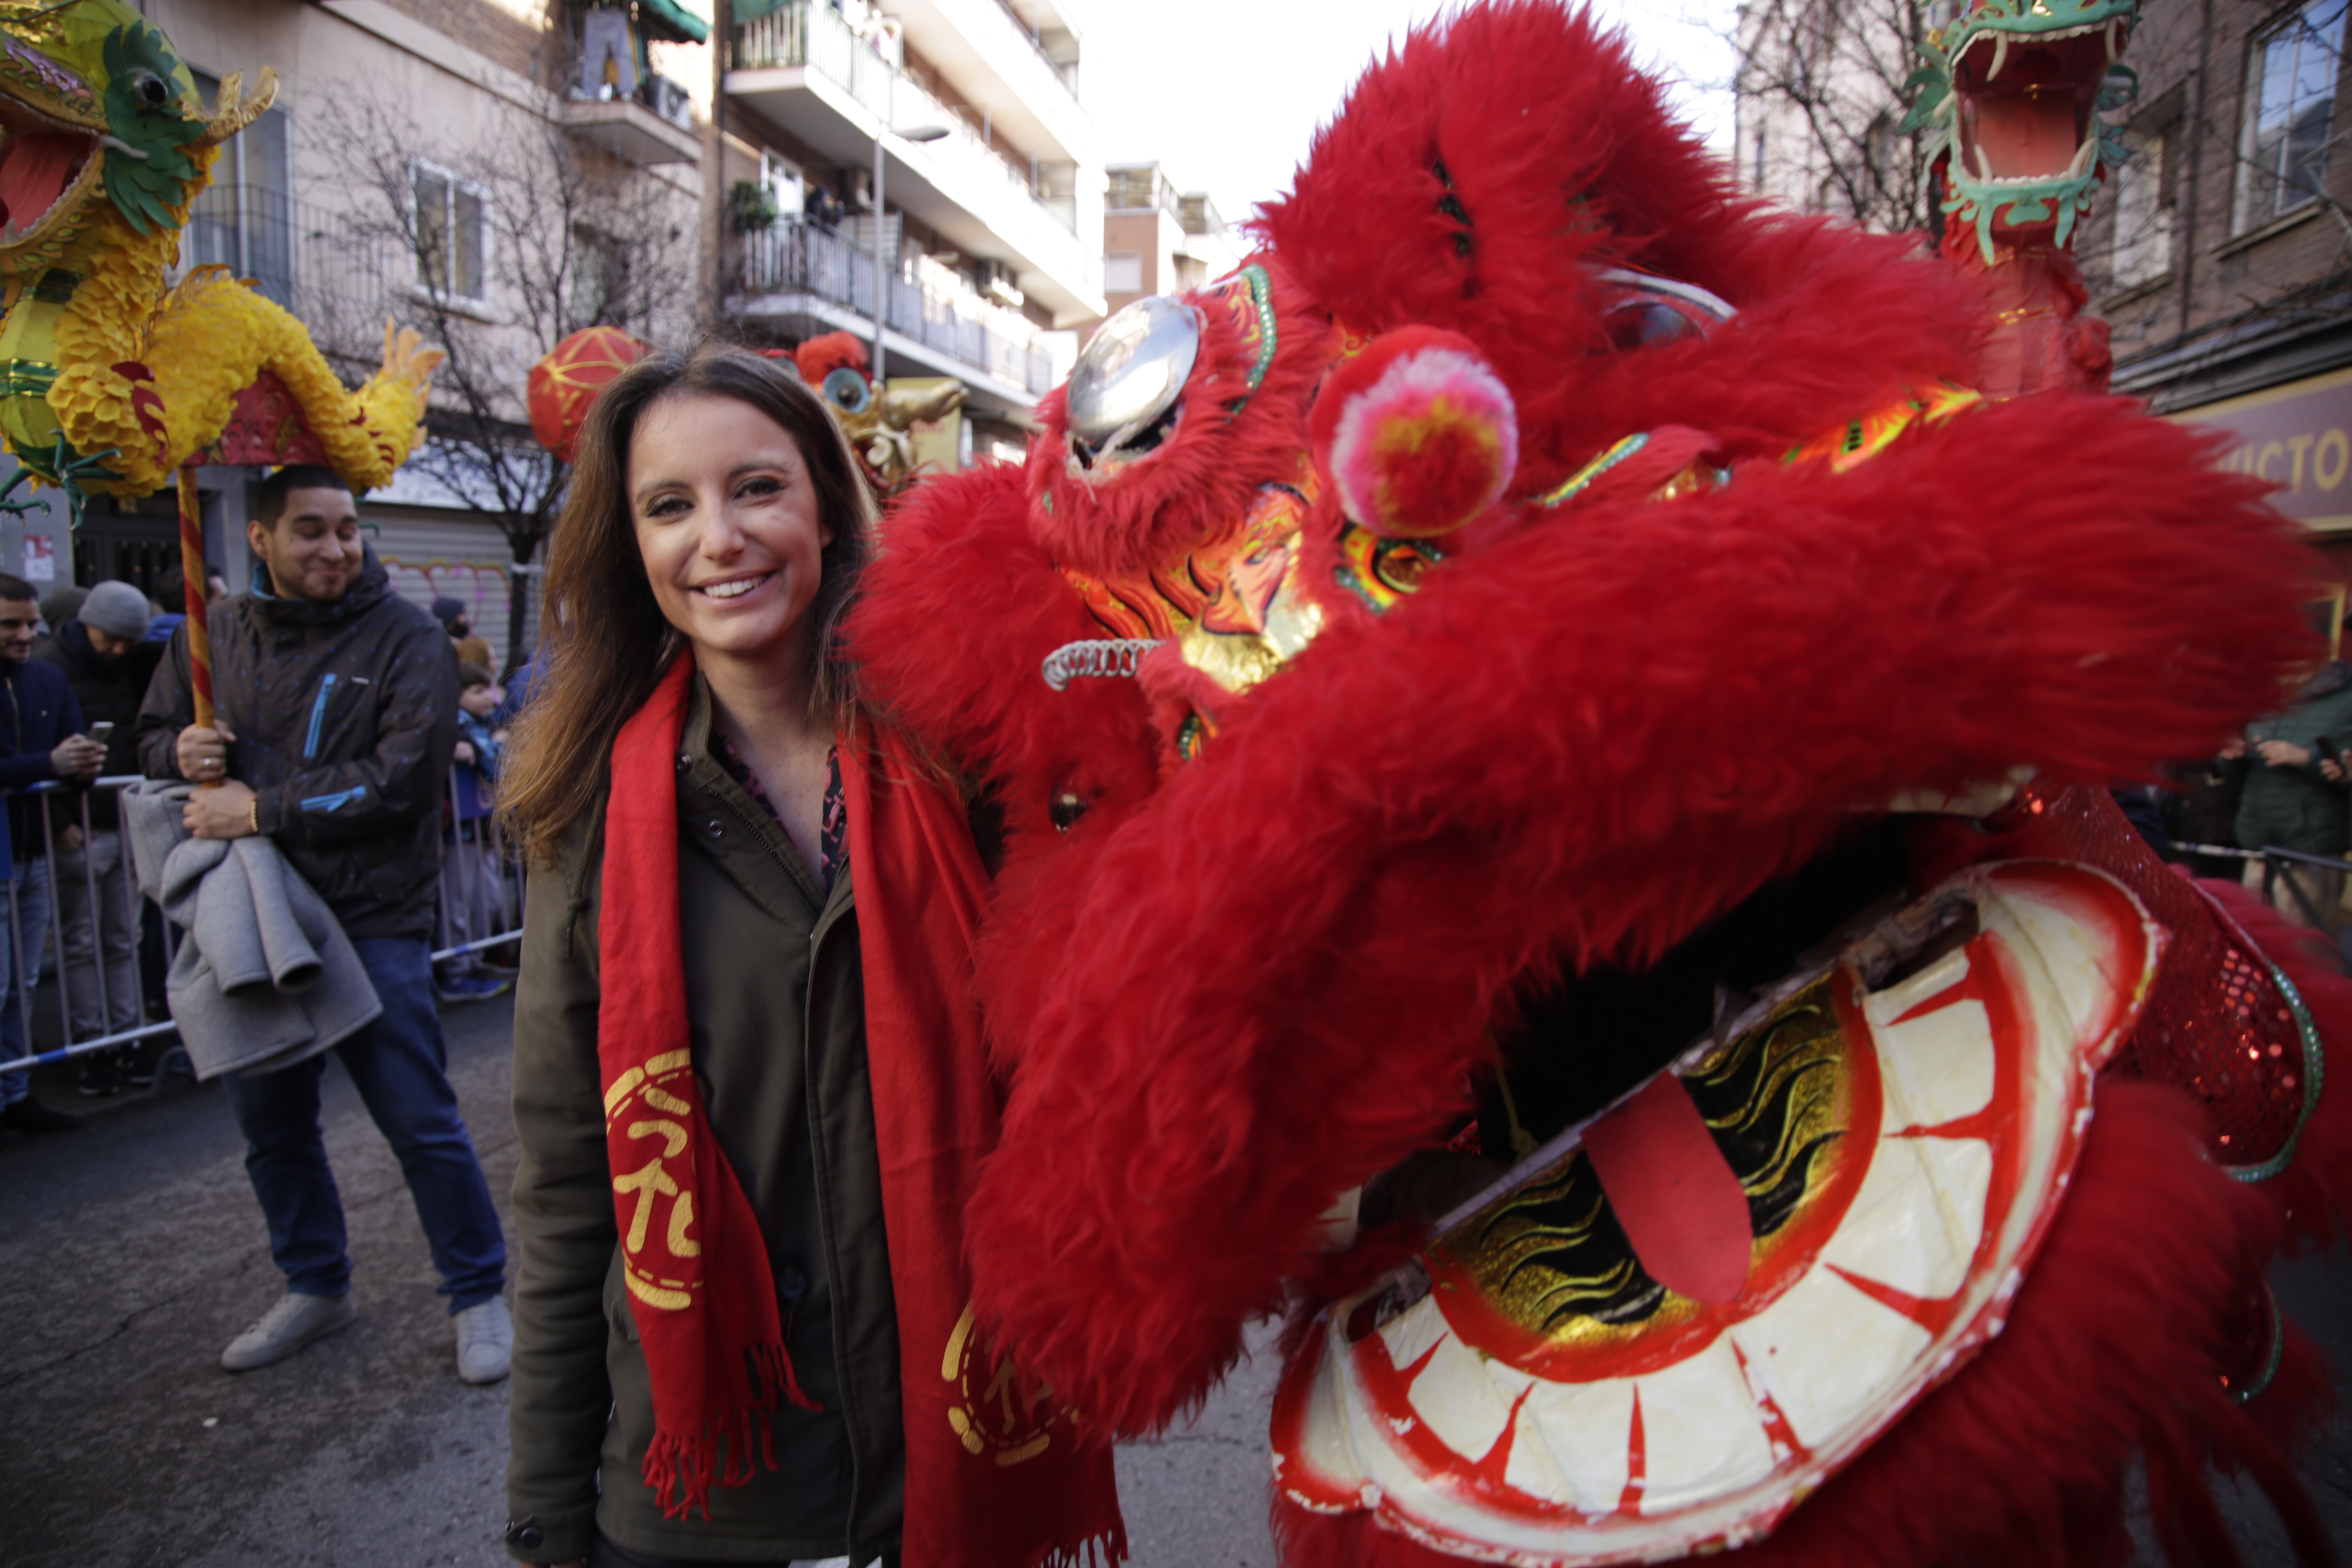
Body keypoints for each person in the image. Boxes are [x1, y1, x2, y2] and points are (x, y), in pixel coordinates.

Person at [497, 345, 1121, 1567]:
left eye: (757, 488)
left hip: (963, 1436)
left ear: (828, 508)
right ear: (633, 545)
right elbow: (572, 1189)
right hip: (706, 1495)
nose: (718, 536)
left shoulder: (971, 757)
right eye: (669, 505)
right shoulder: (586, 817)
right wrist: (543, 1514)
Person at [135, 464, 510, 1382]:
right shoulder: (213, 631)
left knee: (419, 1121)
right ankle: (315, 1283)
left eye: (346, 528)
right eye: (310, 530)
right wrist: (176, 747)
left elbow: (402, 782)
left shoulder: (408, 637)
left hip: (373, 915)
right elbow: (149, 737)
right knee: (273, 1126)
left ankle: (479, 1292)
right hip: (249, 915)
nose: (336, 547)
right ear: (260, 538)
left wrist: (258, 808)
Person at [39, 579, 164, 1095]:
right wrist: (60, 820)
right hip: (78, 826)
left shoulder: (134, 664)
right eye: (110, 639)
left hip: (123, 817)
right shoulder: (51, 670)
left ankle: (128, 1032)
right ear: (86, 623)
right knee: (82, 941)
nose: (117, 650)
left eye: (127, 642)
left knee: (122, 936)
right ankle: (93, 1041)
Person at [0, 573, 103, 1136]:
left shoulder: (46, 678)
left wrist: (83, 768)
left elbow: (71, 757)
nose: (24, 635)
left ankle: (15, 1092)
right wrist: (50, 767)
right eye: (10, 625)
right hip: (6, 852)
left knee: (22, 981)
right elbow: (46, 763)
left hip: (32, 849)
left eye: (30, 623)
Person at [2222, 652, 2352, 931]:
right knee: (2253, 941)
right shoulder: (2266, 698)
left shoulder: (2345, 700)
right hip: (2257, 840)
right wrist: (2231, 754)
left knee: (2304, 949)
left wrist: (2305, 759)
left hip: (2310, 846)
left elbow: (2344, 773)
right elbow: (2235, 775)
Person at [435, 662, 511, 1005]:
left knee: (489, 900)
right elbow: (495, 767)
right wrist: (499, 746)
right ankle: (457, 974)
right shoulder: (453, 729)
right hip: (459, 834)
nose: (490, 698)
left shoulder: (483, 725)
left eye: (490, 689)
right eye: (478, 691)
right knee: (458, 904)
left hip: (482, 831)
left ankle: (475, 963)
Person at [433, 595, 494, 672]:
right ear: (450, 619)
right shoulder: (442, 645)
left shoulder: (470, 640)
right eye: (462, 614)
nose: (467, 617)